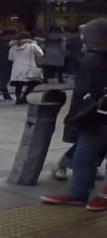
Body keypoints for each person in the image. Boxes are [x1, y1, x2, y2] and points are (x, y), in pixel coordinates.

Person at [42, 18, 107, 211]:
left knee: (84, 157)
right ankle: (96, 196)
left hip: (94, 117)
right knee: (84, 156)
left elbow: (82, 92)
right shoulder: (93, 57)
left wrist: (73, 118)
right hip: (96, 116)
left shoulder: (92, 59)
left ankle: (79, 194)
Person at [8, 31, 44, 105]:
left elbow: (10, 58)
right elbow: (41, 54)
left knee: (18, 85)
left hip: (17, 68)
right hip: (29, 68)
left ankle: (18, 99)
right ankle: (24, 97)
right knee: (33, 83)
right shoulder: (32, 45)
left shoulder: (13, 47)